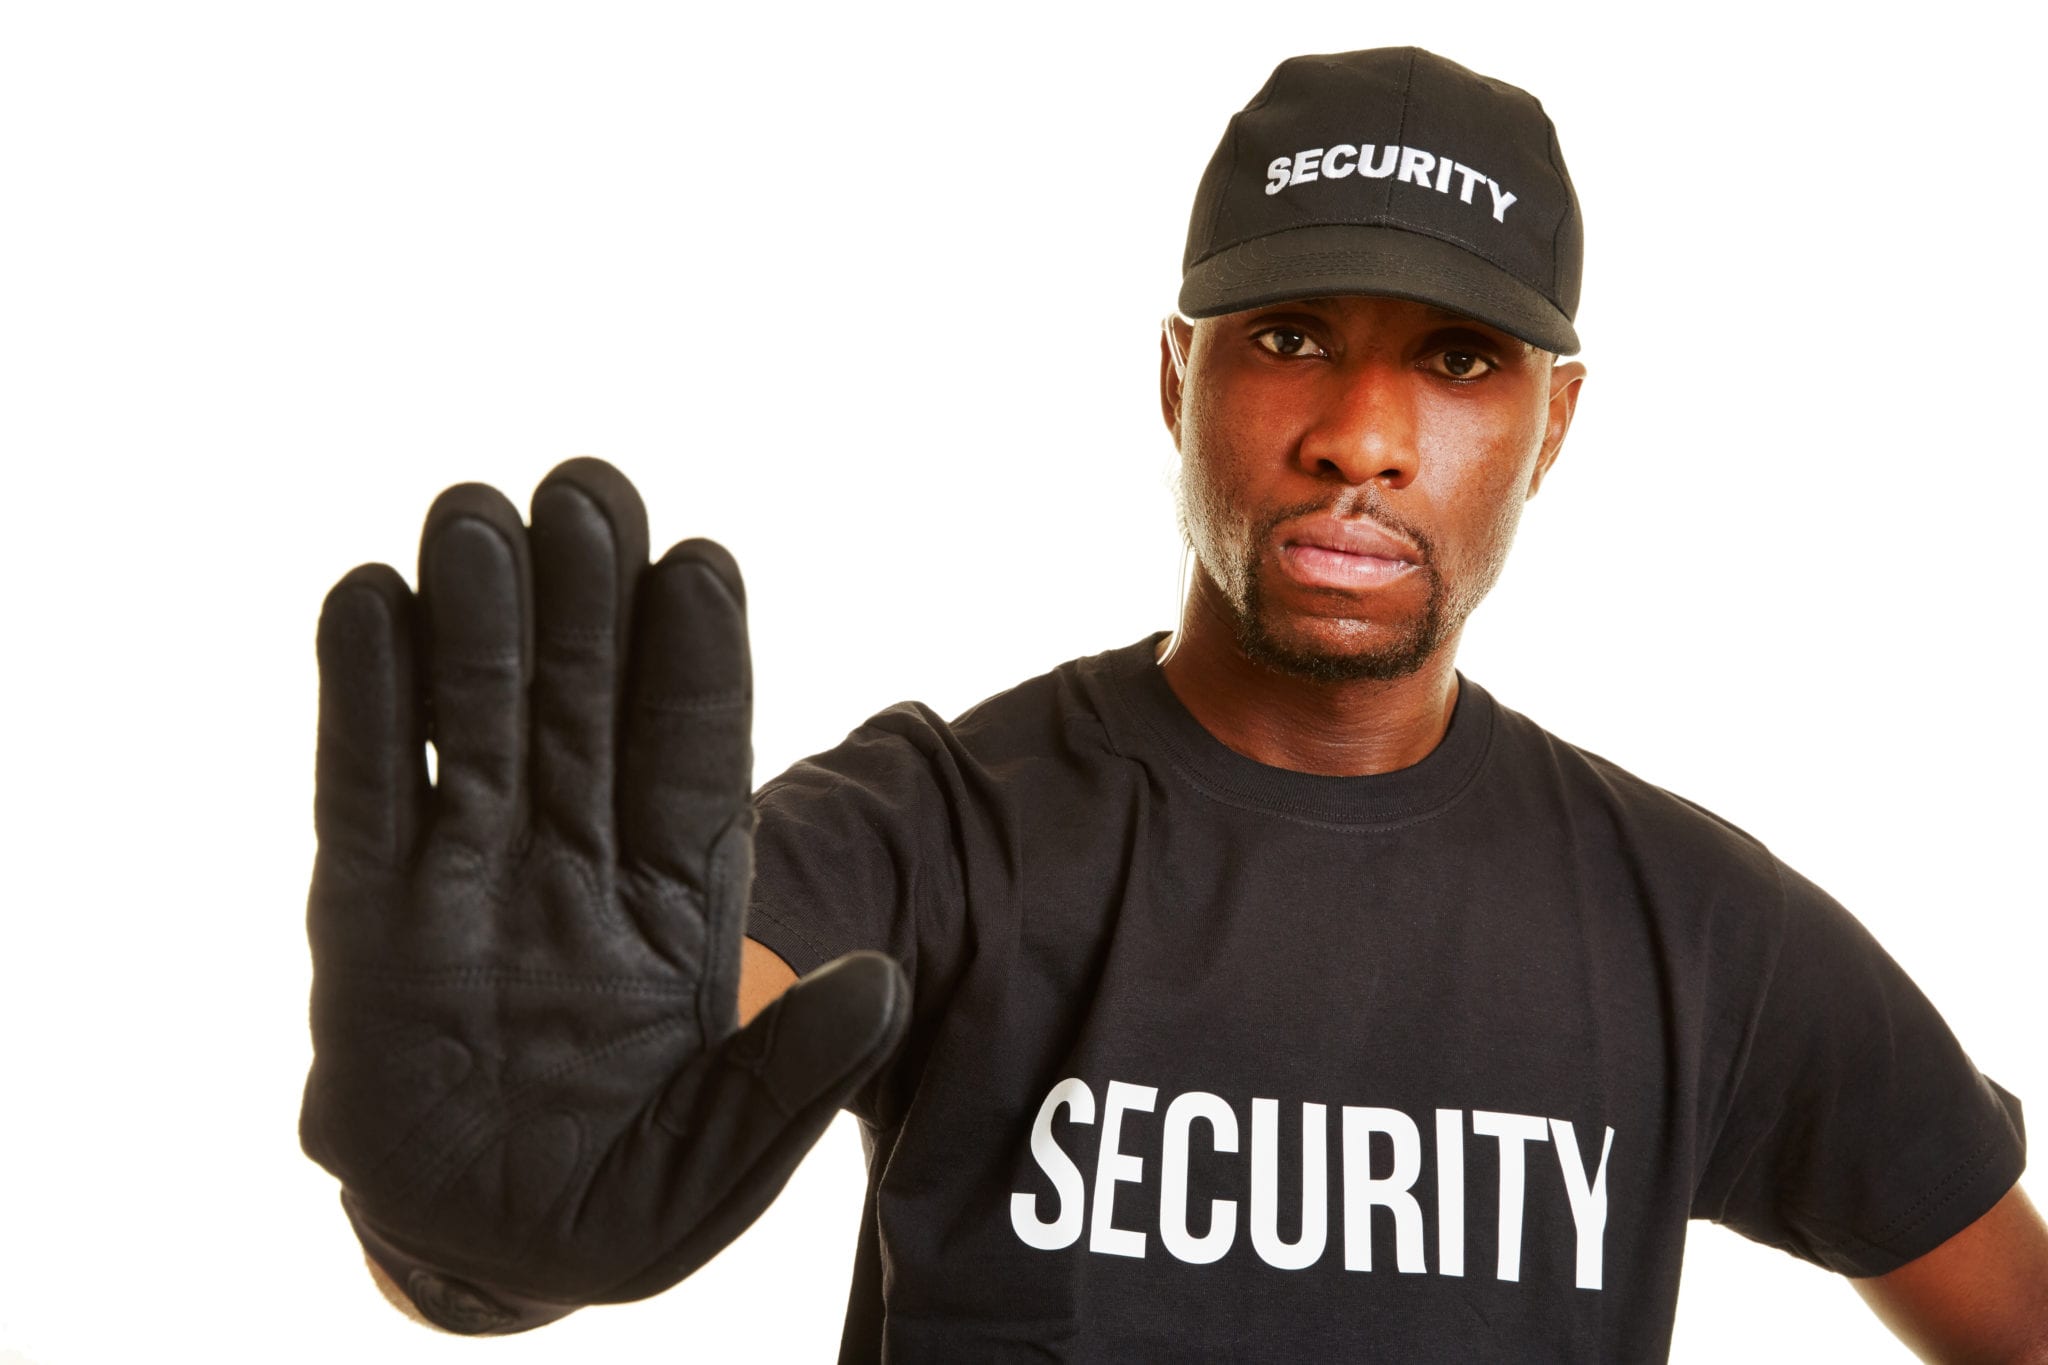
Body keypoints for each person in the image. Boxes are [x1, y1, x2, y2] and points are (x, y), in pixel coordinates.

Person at [301, 47, 2048, 1361]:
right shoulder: (941, 827)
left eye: (1457, 360)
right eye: (1292, 331)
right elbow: (632, 1047)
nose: (1364, 431)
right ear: (1176, 373)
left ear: (1555, 424)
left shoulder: (1699, 934)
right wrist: (467, 1233)